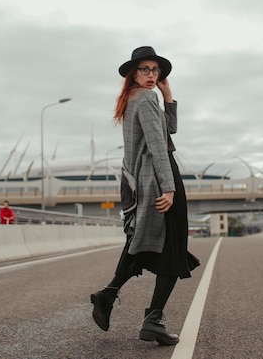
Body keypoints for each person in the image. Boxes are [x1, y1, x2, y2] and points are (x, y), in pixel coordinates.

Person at [90, 46, 200, 345]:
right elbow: (157, 146)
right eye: (145, 70)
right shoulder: (144, 98)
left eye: (155, 70)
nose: (152, 75)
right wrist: (169, 187)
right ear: (133, 73)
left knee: (143, 244)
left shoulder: (132, 99)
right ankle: (152, 319)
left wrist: (168, 97)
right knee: (172, 246)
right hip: (158, 178)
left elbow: (168, 131)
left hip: (142, 181)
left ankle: (108, 295)